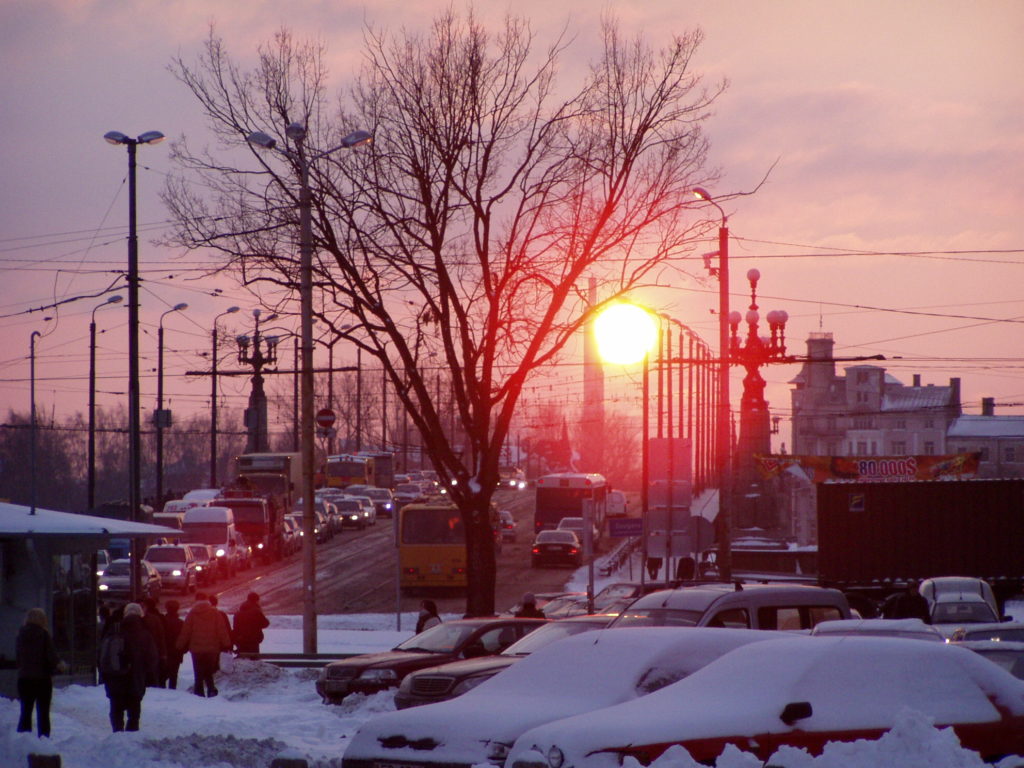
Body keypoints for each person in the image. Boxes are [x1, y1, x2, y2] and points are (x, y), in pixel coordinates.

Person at [101, 602, 159, 732]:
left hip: (115, 677)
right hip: (135, 678)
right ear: (140, 614)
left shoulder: (114, 629)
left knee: (116, 708)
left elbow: (103, 653)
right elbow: (152, 658)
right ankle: (131, 738)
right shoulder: (144, 633)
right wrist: (147, 675)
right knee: (134, 711)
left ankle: (117, 733)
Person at [15, 607, 66, 738]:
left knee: (25, 711)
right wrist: (60, 665)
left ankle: (23, 739)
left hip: (24, 678)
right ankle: (43, 740)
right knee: (43, 712)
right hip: (42, 679)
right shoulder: (43, 634)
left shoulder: (21, 635)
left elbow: (18, 656)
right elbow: (51, 655)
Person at [177, 593, 231, 697]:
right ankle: (211, 689)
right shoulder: (215, 613)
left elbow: (186, 631)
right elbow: (221, 629)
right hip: (212, 648)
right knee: (209, 671)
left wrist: (180, 645)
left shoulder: (192, 613)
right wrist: (226, 643)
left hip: (196, 648)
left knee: (198, 672)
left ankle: (199, 692)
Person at [141, 598, 168, 687]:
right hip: (147, 652)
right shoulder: (155, 619)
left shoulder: (154, 619)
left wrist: (162, 653)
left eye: (143, 606)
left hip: (151, 652)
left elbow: (160, 637)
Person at [161, 600, 185, 689]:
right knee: (174, 675)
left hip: (164, 651)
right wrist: (183, 650)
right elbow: (184, 638)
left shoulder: (162, 621)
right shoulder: (180, 623)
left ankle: (161, 691)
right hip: (177, 652)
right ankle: (172, 690)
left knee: (163, 674)